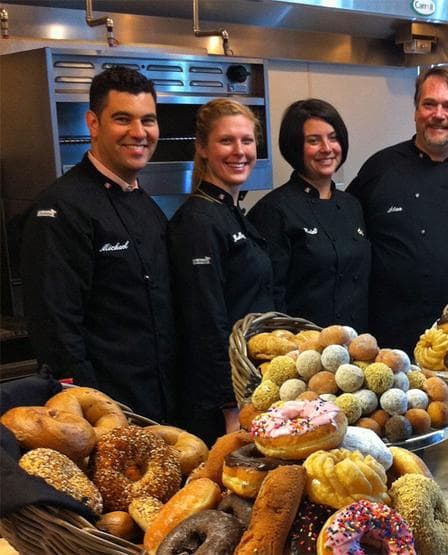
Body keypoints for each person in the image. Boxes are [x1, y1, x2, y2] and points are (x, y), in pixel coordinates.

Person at [20, 67, 176, 423]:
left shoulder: (147, 205)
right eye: (123, 119)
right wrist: (89, 410)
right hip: (107, 410)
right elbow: (56, 328)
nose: (139, 133)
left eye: (148, 120)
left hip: (162, 400)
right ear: (93, 123)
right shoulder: (60, 208)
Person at [347, 66, 448, 354]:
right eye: (429, 104)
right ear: (415, 110)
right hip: (392, 346)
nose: (439, 115)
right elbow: (350, 243)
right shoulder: (380, 168)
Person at [168, 98, 275, 446]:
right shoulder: (198, 222)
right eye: (226, 141)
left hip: (248, 385)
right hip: (219, 404)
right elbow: (205, 323)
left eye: (247, 141)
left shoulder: (231, 211)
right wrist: (230, 408)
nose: (239, 151)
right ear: (202, 148)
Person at [247, 98, 370, 329]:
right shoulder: (274, 210)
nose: (327, 148)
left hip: (356, 347)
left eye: (333, 138)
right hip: (303, 353)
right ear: (295, 147)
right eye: (313, 141)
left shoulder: (352, 205)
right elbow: (270, 295)